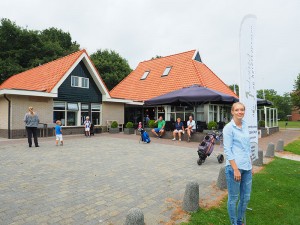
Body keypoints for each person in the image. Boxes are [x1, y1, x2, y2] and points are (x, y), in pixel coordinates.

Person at [223, 102, 253, 225]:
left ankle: (240, 221)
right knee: (234, 198)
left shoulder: (245, 125)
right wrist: (235, 169)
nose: (240, 112)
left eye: (242, 110)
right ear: (232, 112)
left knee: (246, 198)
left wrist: (250, 165)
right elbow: (227, 150)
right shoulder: (228, 128)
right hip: (234, 168)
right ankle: (234, 223)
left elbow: (247, 147)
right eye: (237, 110)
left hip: (247, 167)